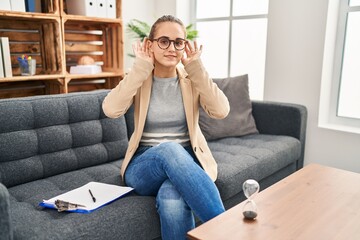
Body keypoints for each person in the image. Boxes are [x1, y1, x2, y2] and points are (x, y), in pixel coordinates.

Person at [102, 15, 230, 240]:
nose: (172, 48)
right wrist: (141, 68)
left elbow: (221, 111)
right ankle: (226, 233)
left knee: (173, 200)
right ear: (150, 44)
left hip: (185, 162)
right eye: (164, 41)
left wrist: (196, 68)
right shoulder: (139, 78)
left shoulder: (192, 79)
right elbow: (111, 109)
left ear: (185, 46)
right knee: (169, 149)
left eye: (178, 42)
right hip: (143, 166)